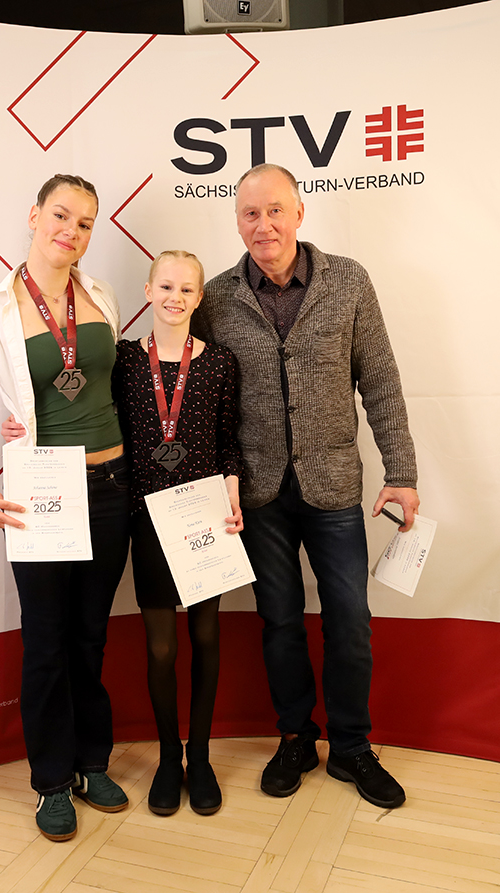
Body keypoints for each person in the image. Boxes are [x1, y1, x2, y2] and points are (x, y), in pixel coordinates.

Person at [192, 163, 420, 810]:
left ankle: (350, 745)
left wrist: (401, 473)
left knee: (349, 620)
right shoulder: (215, 298)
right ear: (237, 222)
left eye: (274, 210)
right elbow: (197, 394)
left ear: (298, 212)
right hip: (257, 494)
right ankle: (295, 735)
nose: (263, 225)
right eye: (249, 213)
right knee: (280, 621)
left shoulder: (348, 281)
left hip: (333, 486)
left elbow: (380, 380)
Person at [0, 174, 131, 842]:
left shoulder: (100, 295)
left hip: (110, 487)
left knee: (91, 634)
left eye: (84, 223)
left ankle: (91, 762)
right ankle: (52, 778)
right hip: (42, 493)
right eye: (60, 215)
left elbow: (110, 389)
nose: (70, 231)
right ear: (34, 215)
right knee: (47, 639)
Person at [113, 250, 243, 816]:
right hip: (148, 520)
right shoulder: (124, 360)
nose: (176, 298)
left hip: (205, 518)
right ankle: (170, 757)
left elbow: (229, 438)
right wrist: (21, 423)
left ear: (200, 297)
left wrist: (233, 489)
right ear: (148, 291)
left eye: (187, 289)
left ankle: (202, 756)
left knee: (206, 636)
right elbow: (94, 420)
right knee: (161, 647)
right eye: (166, 286)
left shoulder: (219, 363)